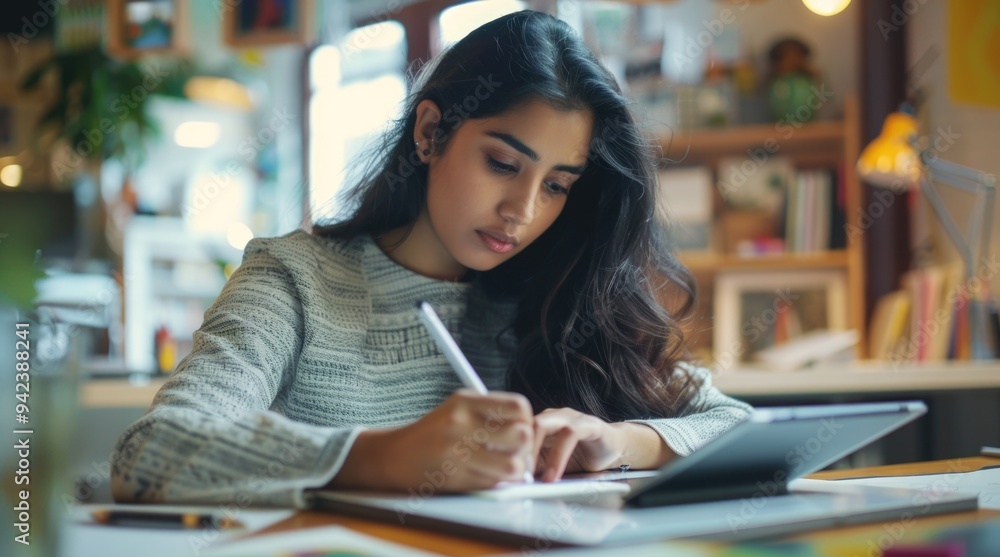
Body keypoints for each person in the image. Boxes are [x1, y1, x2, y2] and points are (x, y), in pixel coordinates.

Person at [111, 10, 751, 508]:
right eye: (503, 164)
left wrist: (618, 444)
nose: (523, 211)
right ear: (429, 133)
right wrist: (383, 458)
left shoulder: (560, 296)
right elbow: (151, 454)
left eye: (557, 184)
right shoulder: (293, 281)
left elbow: (738, 426)